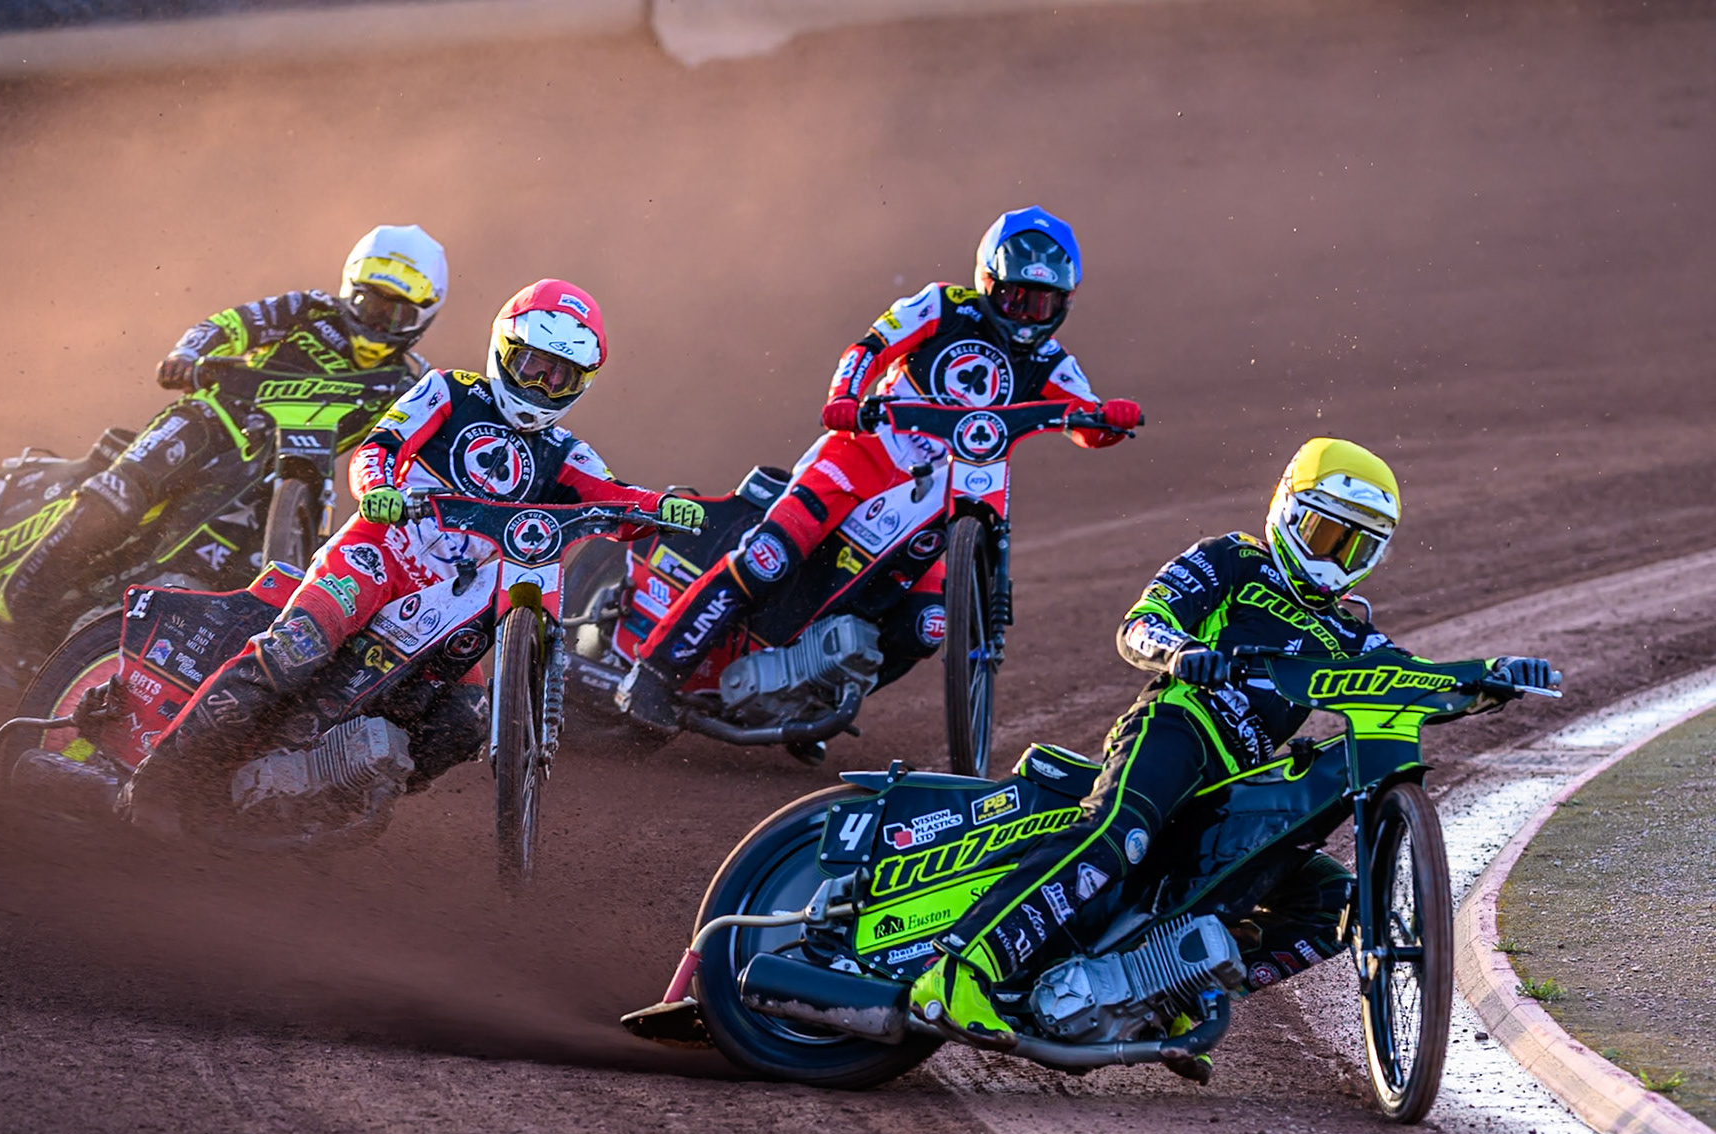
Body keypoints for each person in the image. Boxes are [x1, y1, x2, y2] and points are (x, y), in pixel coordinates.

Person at [903, 436, 1556, 1081]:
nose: (1334, 558)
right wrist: (1179, 651)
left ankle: (1167, 993)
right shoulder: (1233, 560)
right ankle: (960, 969)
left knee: (1335, 903)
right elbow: (1140, 624)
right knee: (1117, 834)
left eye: (1353, 546)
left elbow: (1407, 677)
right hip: (1178, 727)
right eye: (1325, 533)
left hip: (1236, 787)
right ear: (1287, 509)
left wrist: (1489, 676)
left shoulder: (1350, 629)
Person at [122, 278, 706, 828]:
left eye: (561, 376)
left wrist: (664, 507)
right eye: (533, 365)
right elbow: (379, 445)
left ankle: (327, 801)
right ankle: (154, 783)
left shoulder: (566, 452)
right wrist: (378, 491)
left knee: (462, 724)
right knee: (294, 650)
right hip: (382, 554)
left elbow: (616, 498)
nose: (541, 386)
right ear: (505, 349)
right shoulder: (448, 391)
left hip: (457, 602)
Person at [615, 206, 1143, 732]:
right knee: (767, 557)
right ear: (987, 281)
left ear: (1064, 302)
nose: (1026, 314)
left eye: (1041, 303)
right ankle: (654, 674)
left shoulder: (1052, 361)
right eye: (1014, 297)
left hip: (945, 501)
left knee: (928, 626)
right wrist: (844, 396)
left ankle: (813, 698)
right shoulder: (942, 304)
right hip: (861, 457)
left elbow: (1087, 421)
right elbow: (871, 346)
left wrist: (1111, 420)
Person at [0, 225, 449, 660]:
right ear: (349, 289)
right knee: (115, 499)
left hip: (274, 480)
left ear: (421, 319)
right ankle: (1, 625)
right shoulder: (308, 309)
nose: (377, 321)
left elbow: (407, 442)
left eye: (395, 313)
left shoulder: (406, 383)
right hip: (214, 419)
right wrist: (187, 354)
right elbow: (233, 324)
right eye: (369, 303)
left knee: (222, 585)